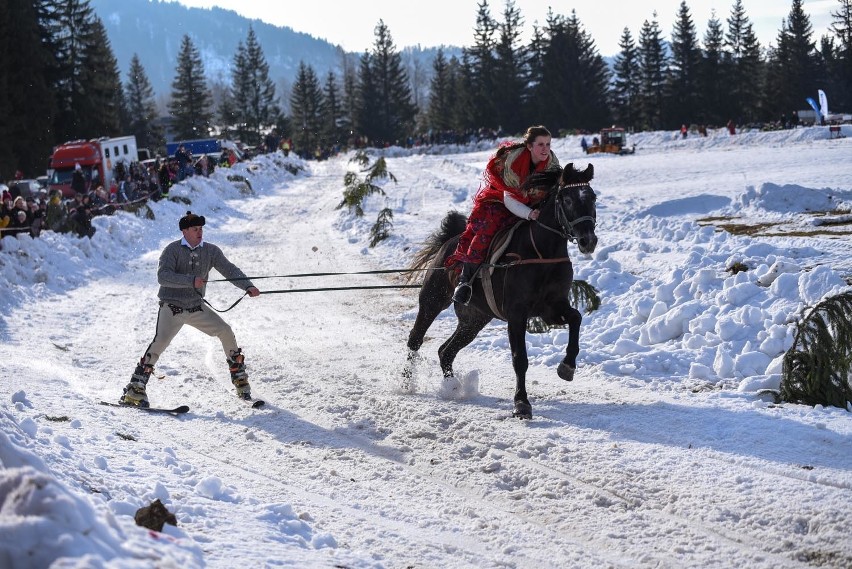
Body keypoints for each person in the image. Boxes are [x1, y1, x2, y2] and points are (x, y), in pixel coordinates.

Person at [120, 211, 261, 407]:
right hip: (172, 307)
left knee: (225, 331)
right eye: (195, 229)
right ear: (184, 231)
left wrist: (248, 286)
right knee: (159, 343)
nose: (199, 232)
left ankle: (240, 381)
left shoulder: (211, 251)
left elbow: (230, 270)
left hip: (196, 307)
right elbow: (163, 276)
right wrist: (190, 281)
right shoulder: (172, 250)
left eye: (201, 229)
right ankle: (135, 389)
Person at [446, 125, 561, 305]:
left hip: (533, 205)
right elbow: (509, 199)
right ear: (529, 146)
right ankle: (465, 281)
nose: (545, 149)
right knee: (487, 230)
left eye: (548, 144)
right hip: (503, 202)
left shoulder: (552, 165)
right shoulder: (513, 164)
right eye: (540, 144)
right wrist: (529, 213)